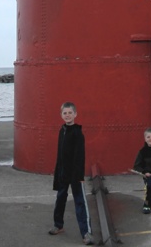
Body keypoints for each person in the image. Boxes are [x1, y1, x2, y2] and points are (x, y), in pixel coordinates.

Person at [49, 102, 94, 244]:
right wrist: (57, 172)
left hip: (75, 174)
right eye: (65, 113)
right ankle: (58, 225)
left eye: (70, 113)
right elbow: (60, 154)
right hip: (63, 173)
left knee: (80, 202)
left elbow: (80, 156)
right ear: (61, 115)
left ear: (75, 114)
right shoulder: (61, 130)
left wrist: (79, 176)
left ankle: (86, 233)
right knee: (60, 199)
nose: (67, 115)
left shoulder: (77, 133)